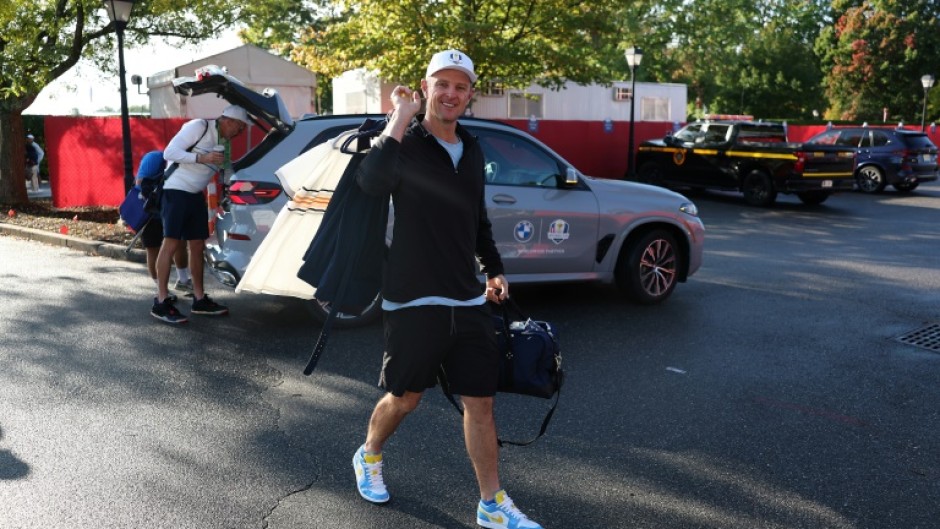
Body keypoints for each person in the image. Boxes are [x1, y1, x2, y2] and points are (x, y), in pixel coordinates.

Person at [352, 50, 543, 529]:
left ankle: (492, 504)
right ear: (425, 87)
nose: (451, 94)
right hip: (413, 296)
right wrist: (399, 116)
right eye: (442, 84)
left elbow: (475, 217)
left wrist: (493, 268)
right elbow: (371, 183)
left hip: (467, 295)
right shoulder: (404, 143)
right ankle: (369, 454)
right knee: (405, 397)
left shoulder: (473, 148)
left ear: (471, 94)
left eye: (460, 86)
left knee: (481, 402)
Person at [150, 105, 249, 324]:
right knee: (171, 243)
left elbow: (225, 171)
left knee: (197, 245)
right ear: (229, 121)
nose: (240, 132)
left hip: (195, 194)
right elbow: (169, 153)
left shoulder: (224, 143)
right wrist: (201, 159)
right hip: (175, 190)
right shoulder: (199, 126)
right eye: (240, 127)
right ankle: (161, 300)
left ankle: (199, 298)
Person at [134, 151, 192, 303]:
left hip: (171, 209)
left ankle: (183, 280)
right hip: (151, 212)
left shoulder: (190, 161)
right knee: (153, 248)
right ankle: (161, 289)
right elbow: (140, 183)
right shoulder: (155, 157)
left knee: (179, 242)